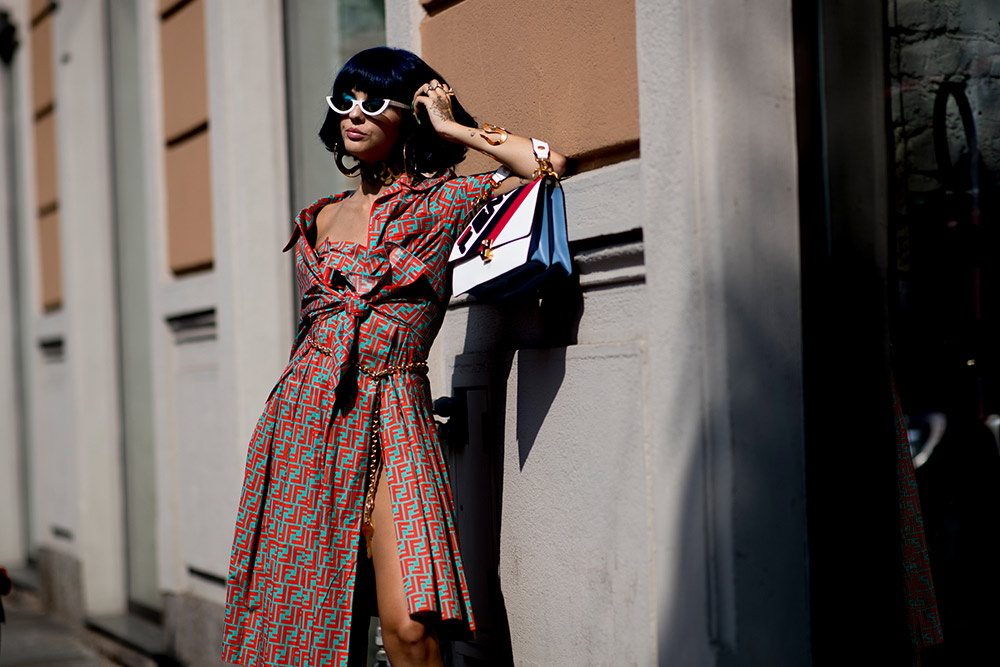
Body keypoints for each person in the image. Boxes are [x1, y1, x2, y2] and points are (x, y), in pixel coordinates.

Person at [222, 47, 566, 667]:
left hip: (398, 411)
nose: (355, 115)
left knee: (410, 627)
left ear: (409, 116)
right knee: (304, 618)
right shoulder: (321, 219)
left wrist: (455, 126)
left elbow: (544, 164)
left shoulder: (444, 201)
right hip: (306, 419)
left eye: (375, 103)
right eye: (344, 101)